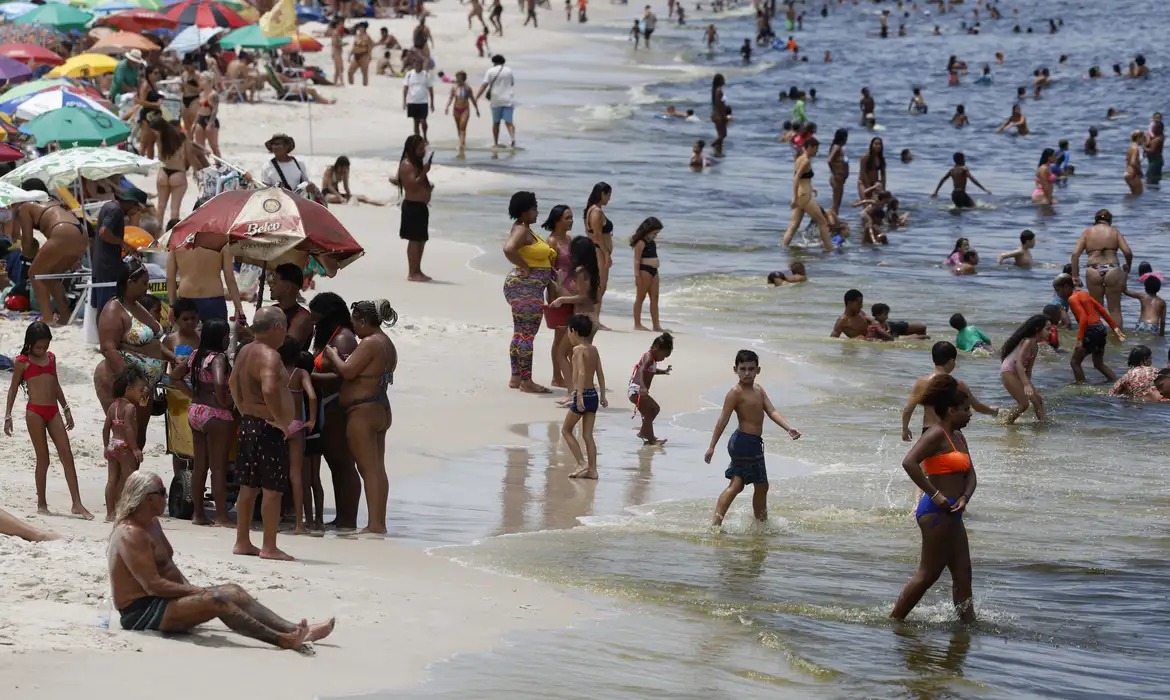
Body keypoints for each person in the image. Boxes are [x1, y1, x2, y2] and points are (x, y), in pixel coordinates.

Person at [108, 471, 334, 646]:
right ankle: (282, 639)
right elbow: (153, 585)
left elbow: (170, 569)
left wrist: (191, 590)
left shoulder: (152, 524)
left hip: (164, 599)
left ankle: (294, 628)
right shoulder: (131, 533)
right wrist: (197, 592)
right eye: (163, 492)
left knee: (233, 591)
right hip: (141, 611)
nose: (167, 497)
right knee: (219, 601)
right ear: (149, 499)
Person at [890, 374, 976, 623]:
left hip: (954, 513)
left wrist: (965, 497)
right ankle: (895, 621)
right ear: (950, 410)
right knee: (928, 574)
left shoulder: (959, 437)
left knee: (963, 573)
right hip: (936, 513)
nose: (970, 414)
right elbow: (909, 462)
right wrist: (935, 494)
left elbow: (971, 476)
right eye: (966, 410)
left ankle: (967, 628)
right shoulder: (935, 435)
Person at [320, 300, 397, 535]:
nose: (352, 327)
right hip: (380, 407)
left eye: (354, 321)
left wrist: (332, 354)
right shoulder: (387, 343)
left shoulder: (370, 343)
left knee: (368, 469)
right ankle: (378, 522)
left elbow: (347, 371)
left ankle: (375, 524)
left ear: (363, 320)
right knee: (377, 468)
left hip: (362, 411)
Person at [703, 349, 801, 528]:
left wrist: (788, 428)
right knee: (740, 484)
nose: (747, 373)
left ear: (758, 370)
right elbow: (722, 421)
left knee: (760, 486)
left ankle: (759, 525)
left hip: (754, 443)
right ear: (735, 369)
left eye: (751, 368)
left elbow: (771, 411)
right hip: (742, 442)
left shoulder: (758, 389)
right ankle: (717, 524)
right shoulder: (735, 393)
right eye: (743, 369)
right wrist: (711, 447)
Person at [4, 322, 92, 519]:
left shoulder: (51, 358)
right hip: (35, 412)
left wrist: (66, 408)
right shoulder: (22, 362)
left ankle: (77, 503)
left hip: (53, 411)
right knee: (43, 457)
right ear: (29, 344)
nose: (42, 350)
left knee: (66, 453)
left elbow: (56, 384)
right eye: (38, 347)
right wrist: (8, 415)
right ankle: (41, 503)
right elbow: (13, 389)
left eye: (45, 346)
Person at [230, 307, 296, 561]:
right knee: (272, 489)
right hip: (268, 428)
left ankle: (242, 541)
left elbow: (233, 382)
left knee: (248, 486)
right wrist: (280, 419)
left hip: (248, 424)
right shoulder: (270, 356)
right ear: (277, 327)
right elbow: (269, 388)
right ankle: (269, 546)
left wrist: (243, 406)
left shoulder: (245, 351)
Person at [95, 260, 176, 450]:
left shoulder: (136, 305)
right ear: (130, 282)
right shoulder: (114, 309)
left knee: (138, 438)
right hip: (123, 381)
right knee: (126, 437)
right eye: (144, 283)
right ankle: (121, 479)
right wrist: (133, 381)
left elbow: (154, 342)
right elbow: (108, 349)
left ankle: (129, 479)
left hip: (144, 385)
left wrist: (172, 357)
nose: (147, 287)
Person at [307, 293, 360, 530]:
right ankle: (341, 517)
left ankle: (348, 518)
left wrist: (309, 377)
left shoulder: (344, 338)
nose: (313, 322)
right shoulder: (329, 335)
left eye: (316, 316)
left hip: (338, 404)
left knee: (344, 463)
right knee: (334, 462)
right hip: (326, 403)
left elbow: (344, 377)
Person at [502, 191, 555, 393]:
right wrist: (524, 266)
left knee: (519, 334)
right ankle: (526, 381)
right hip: (526, 288)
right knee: (527, 336)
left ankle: (516, 378)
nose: (537, 212)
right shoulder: (522, 230)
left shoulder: (523, 229)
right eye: (534, 208)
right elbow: (509, 249)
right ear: (524, 211)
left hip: (523, 287)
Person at [14, 181, 87, 326]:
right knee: (50, 275)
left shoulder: (26, 207)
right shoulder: (55, 202)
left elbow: (27, 245)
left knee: (35, 273)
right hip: (81, 234)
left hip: (62, 232)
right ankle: (64, 316)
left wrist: (30, 249)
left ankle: (47, 318)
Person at [186, 318, 235, 527]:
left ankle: (198, 514)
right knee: (218, 468)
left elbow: (178, 376)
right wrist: (225, 401)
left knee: (200, 466)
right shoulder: (218, 358)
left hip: (195, 410)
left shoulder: (196, 355)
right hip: (215, 414)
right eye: (227, 335)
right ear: (220, 337)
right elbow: (217, 381)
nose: (229, 339)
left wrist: (194, 394)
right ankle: (221, 516)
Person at [901, 341, 997, 441]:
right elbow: (977, 406)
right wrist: (993, 411)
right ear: (951, 361)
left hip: (929, 432)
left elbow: (908, 409)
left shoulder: (921, 383)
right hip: (951, 432)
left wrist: (905, 429)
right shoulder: (959, 385)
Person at [167, 224, 246, 324]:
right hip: (213, 300)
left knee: (187, 338)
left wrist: (172, 305)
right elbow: (229, 277)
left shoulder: (178, 239)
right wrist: (238, 307)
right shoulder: (221, 240)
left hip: (186, 300)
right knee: (216, 338)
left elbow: (170, 277)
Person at [1053, 274, 1125, 383]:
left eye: (1058, 290)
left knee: (1075, 362)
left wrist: (1079, 340)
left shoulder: (1072, 299)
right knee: (1098, 363)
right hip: (1100, 329)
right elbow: (1101, 309)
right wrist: (1115, 328)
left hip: (1091, 331)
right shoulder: (1083, 294)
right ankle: (1117, 382)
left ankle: (1081, 387)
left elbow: (1083, 319)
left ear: (1066, 287)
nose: (1058, 294)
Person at [1069, 209, 1133, 329]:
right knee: (1114, 309)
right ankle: (1117, 340)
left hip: (1093, 270)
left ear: (1096, 220)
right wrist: (1128, 266)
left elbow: (1075, 255)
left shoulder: (1087, 233)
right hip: (1112, 269)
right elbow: (1128, 252)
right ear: (1110, 221)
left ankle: (1096, 338)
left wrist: (1075, 276)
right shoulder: (1114, 232)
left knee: (1095, 308)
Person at [561, 314, 607, 479]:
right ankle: (593, 470)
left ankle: (581, 463)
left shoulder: (577, 350)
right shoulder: (593, 349)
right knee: (588, 435)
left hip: (583, 395)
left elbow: (580, 372)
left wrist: (578, 396)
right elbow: (600, 373)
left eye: (568, 331)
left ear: (573, 331)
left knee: (566, 430)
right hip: (593, 396)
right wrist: (603, 394)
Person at [102, 366, 148, 522]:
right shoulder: (129, 408)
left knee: (111, 480)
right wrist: (135, 449)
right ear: (128, 389)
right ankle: (127, 513)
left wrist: (105, 445)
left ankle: (110, 513)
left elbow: (106, 428)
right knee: (130, 480)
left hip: (113, 445)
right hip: (125, 447)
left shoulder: (112, 406)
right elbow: (128, 428)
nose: (143, 393)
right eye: (141, 390)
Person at [92, 190, 146, 319]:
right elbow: (104, 232)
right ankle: (105, 336)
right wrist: (124, 245)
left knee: (103, 305)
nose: (138, 210)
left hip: (102, 262)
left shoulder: (109, 206)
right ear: (131, 202)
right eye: (137, 206)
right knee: (107, 305)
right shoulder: (115, 211)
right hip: (107, 265)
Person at [540, 205, 575, 388]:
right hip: (557, 294)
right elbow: (548, 271)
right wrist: (553, 297)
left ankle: (567, 372)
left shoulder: (569, 239)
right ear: (557, 220)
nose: (571, 221)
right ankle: (556, 376)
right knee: (559, 337)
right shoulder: (551, 242)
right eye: (567, 217)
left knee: (570, 336)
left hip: (571, 294)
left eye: (571, 217)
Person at [781, 138, 832, 251]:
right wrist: (794, 196)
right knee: (822, 222)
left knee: (793, 226)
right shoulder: (805, 161)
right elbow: (796, 178)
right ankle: (830, 250)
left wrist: (811, 188)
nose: (817, 151)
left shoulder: (799, 159)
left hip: (802, 195)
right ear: (809, 147)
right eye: (815, 148)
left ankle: (783, 248)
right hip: (804, 197)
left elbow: (802, 179)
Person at [999, 315, 1048, 424]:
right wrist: (1026, 384)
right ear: (1037, 329)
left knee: (1037, 400)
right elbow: (1019, 363)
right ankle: (1007, 423)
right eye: (1047, 329)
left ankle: (1042, 424)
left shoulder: (1035, 346)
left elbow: (1028, 369)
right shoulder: (1027, 341)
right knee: (1024, 404)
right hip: (1008, 371)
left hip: (1018, 373)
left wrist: (1029, 385)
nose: (1050, 332)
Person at [397, 135, 433, 282]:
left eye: (424, 148)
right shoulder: (407, 164)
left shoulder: (416, 163)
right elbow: (412, 184)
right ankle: (412, 272)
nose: (423, 151)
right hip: (412, 207)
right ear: (412, 149)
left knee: (421, 239)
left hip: (421, 206)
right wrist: (425, 172)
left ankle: (418, 269)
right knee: (414, 239)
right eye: (420, 148)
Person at [628, 332, 673, 445]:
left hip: (637, 391)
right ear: (657, 348)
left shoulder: (652, 360)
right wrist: (642, 386)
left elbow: (651, 370)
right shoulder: (648, 357)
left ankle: (646, 434)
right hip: (637, 389)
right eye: (663, 356)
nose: (663, 359)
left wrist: (663, 371)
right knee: (653, 410)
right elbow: (643, 369)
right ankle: (649, 437)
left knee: (650, 412)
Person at [583, 182, 614, 327]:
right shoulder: (596, 212)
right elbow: (598, 235)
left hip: (597, 250)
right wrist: (606, 254)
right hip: (598, 251)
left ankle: (593, 317)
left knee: (599, 285)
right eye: (608, 195)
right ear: (602, 194)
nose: (609, 199)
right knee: (599, 285)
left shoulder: (593, 210)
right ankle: (594, 319)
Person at [476, 55, 517, 149]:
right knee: (509, 121)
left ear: (494, 62)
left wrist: (477, 97)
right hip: (508, 99)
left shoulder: (490, 71)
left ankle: (496, 142)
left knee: (496, 122)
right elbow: (512, 83)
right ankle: (513, 139)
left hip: (496, 100)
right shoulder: (509, 70)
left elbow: (484, 85)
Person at [631, 216, 663, 331]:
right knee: (640, 297)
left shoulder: (651, 242)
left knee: (655, 298)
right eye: (654, 233)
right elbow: (636, 260)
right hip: (644, 270)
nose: (656, 235)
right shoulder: (641, 242)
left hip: (654, 271)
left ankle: (656, 325)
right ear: (648, 230)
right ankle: (637, 324)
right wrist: (637, 276)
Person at [444, 70, 480, 153]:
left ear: (463, 78)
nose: (458, 79)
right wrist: (447, 107)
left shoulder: (467, 88)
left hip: (465, 109)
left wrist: (477, 109)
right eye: (457, 77)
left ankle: (461, 145)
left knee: (462, 127)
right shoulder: (454, 88)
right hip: (456, 109)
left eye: (459, 78)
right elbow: (451, 98)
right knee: (458, 128)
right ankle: (462, 142)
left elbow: (472, 99)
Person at [402, 56, 435, 142]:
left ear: (421, 65)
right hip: (412, 101)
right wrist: (404, 101)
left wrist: (432, 103)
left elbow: (430, 89)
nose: (417, 66)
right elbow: (405, 88)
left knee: (423, 121)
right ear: (413, 64)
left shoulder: (426, 75)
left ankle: (425, 136)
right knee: (416, 122)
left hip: (423, 102)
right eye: (416, 64)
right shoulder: (409, 74)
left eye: (419, 64)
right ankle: (417, 138)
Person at [191, 72, 221, 159]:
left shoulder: (213, 95)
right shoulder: (201, 94)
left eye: (202, 79)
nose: (199, 81)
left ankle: (219, 166)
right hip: (201, 119)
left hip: (210, 119)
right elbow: (199, 110)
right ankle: (202, 166)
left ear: (209, 81)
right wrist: (194, 122)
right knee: (199, 145)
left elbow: (215, 110)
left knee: (214, 146)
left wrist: (210, 123)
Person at [827, 128, 849, 216]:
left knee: (837, 204)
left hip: (839, 178)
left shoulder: (839, 148)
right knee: (836, 204)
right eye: (846, 137)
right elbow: (829, 160)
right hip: (837, 178)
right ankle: (833, 221)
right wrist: (835, 173)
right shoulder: (837, 147)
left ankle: (835, 220)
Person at [348, 22, 374, 86]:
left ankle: (365, 86)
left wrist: (370, 56)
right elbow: (354, 46)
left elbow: (370, 46)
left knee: (364, 73)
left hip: (364, 56)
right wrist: (350, 54)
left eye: (361, 27)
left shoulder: (367, 37)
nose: (360, 28)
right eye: (359, 27)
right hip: (356, 56)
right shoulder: (357, 36)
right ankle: (351, 85)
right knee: (350, 72)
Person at [711, 73, 728, 157]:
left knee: (720, 135)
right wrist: (723, 116)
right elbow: (719, 104)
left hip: (716, 114)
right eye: (723, 79)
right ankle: (711, 146)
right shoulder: (719, 91)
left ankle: (718, 152)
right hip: (719, 114)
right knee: (723, 134)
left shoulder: (716, 90)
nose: (724, 81)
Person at [326, 17, 346, 86]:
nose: (342, 26)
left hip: (338, 52)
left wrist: (342, 43)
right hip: (336, 52)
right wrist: (343, 44)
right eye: (340, 25)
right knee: (340, 68)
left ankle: (335, 82)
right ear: (337, 25)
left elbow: (338, 42)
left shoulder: (338, 33)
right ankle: (341, 82)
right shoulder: (335, 33)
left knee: (338, 69)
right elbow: (335, 43)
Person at [1125, 130, 1145, 195]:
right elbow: (1133, 162)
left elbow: (1128, 160)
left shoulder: (1130, 147)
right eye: (1143, 138)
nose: (1143, 140)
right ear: (1138, 138)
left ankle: (1128, 205)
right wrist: (1140, 172)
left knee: (1133, 195)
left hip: (1127, 173)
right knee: (1139, 194)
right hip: (1133, 174)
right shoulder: (1135, 148)